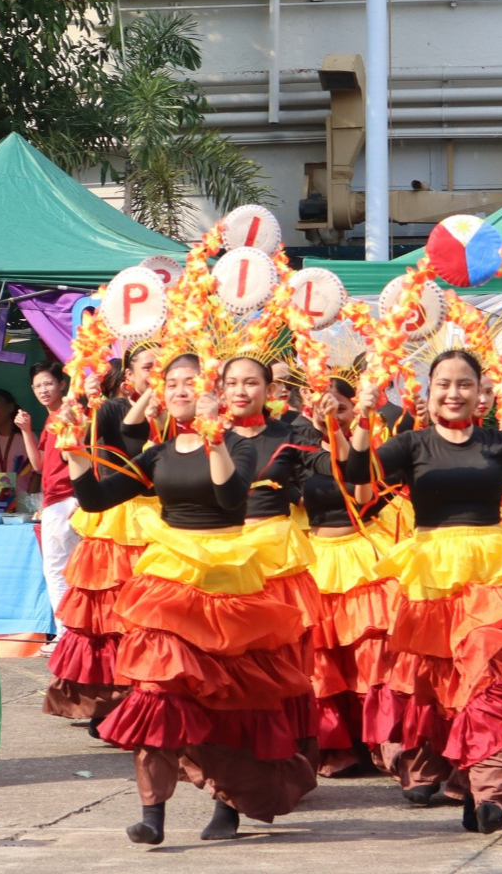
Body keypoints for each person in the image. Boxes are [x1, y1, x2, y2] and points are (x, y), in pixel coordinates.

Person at [65, 353, 316, 845]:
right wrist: (73, 449)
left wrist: (216, 438)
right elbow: (96, 499)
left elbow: (229, 499)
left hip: (227, 577)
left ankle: (228, 808)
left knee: (234, 699)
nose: (180, 390)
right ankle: (152, 812)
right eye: (173, 383)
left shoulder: (239, 447)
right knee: (157, 692)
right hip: (170, 578)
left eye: (191, 383)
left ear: (211, 393)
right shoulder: (156, 454)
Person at [346, 349, 502, 835]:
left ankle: (491, 788)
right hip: (431, 573)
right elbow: (361, 487)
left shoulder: (499, 443)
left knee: (493, 677)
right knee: (443, 688)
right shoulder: (411, 444)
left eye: (464, 383)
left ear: (479, 390)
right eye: (443, 383)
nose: (453, 393)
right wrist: (362, 418)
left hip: (489, 569)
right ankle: (464, 781)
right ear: (427, 389)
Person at [43, 345, 158, 729]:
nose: (155, 373)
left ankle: (145, 695)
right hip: (118, 515)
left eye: (163, 366)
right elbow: (111, 442)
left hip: (158, 519)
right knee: (109, 612)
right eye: (148, 366)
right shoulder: (111, 408)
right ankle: (110, 699)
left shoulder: (175, 410)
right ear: (129, 372)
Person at [218, 355, 322, 768]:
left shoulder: (291, 434)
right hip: (224, 556)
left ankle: (289, 752)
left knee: (282, 661)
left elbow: (333, 473)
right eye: (233, 383)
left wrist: (343, 430)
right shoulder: (211, 437)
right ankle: (236, 762)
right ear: (220, 389)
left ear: (270, 390)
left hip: (275, 558)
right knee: (230, 660)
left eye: (251, 383)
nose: (241, 391)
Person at [302, 379, 398, 776]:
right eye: (320, 408)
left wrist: (343, 431)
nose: (329, 415)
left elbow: (358, 486)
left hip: (361, 557)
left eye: (340, 408)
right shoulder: (297, 454)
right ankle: (336, 749)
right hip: (316, 559)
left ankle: (384, 745)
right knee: (322, 661)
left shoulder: (372, 454)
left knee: (371, 655)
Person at [17, 362, 79, 652]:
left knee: (57, 569)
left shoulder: (69, 416)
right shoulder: (51, 422)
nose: (43, 389)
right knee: (66, 569)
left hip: (67, 500)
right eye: (38, 385)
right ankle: (71, 632)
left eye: (48, 383)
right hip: (56, 501)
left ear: (62, 385)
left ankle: (66, 633)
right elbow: (39, 465)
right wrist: (27, 431)